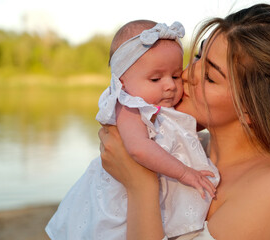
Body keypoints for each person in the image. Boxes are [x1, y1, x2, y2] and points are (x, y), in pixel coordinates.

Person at [99, 4, 270, 240]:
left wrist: (141, 187)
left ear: (252, 108)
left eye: (209, 77)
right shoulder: (183, 147)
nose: (185, 74)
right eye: (198, 56)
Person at [45, 20, 219, 240]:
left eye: (175, 75)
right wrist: (184, 172)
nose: (171, 85)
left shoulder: (159, 108)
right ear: (122, 82)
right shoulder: (129, 106)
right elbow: (139, 148)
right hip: (119, 198)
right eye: (156, 78)